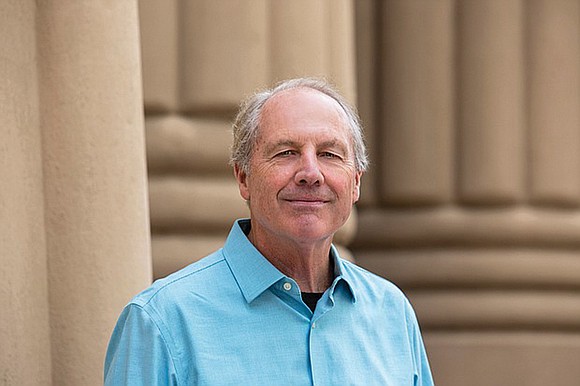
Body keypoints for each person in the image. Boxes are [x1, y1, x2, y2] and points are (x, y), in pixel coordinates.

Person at [104, 78, 434, 385]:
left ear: (356, 183)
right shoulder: (162, 321)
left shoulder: (392, 313)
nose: (310, 173)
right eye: (286, 153)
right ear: (243, 178)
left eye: (329, 154)